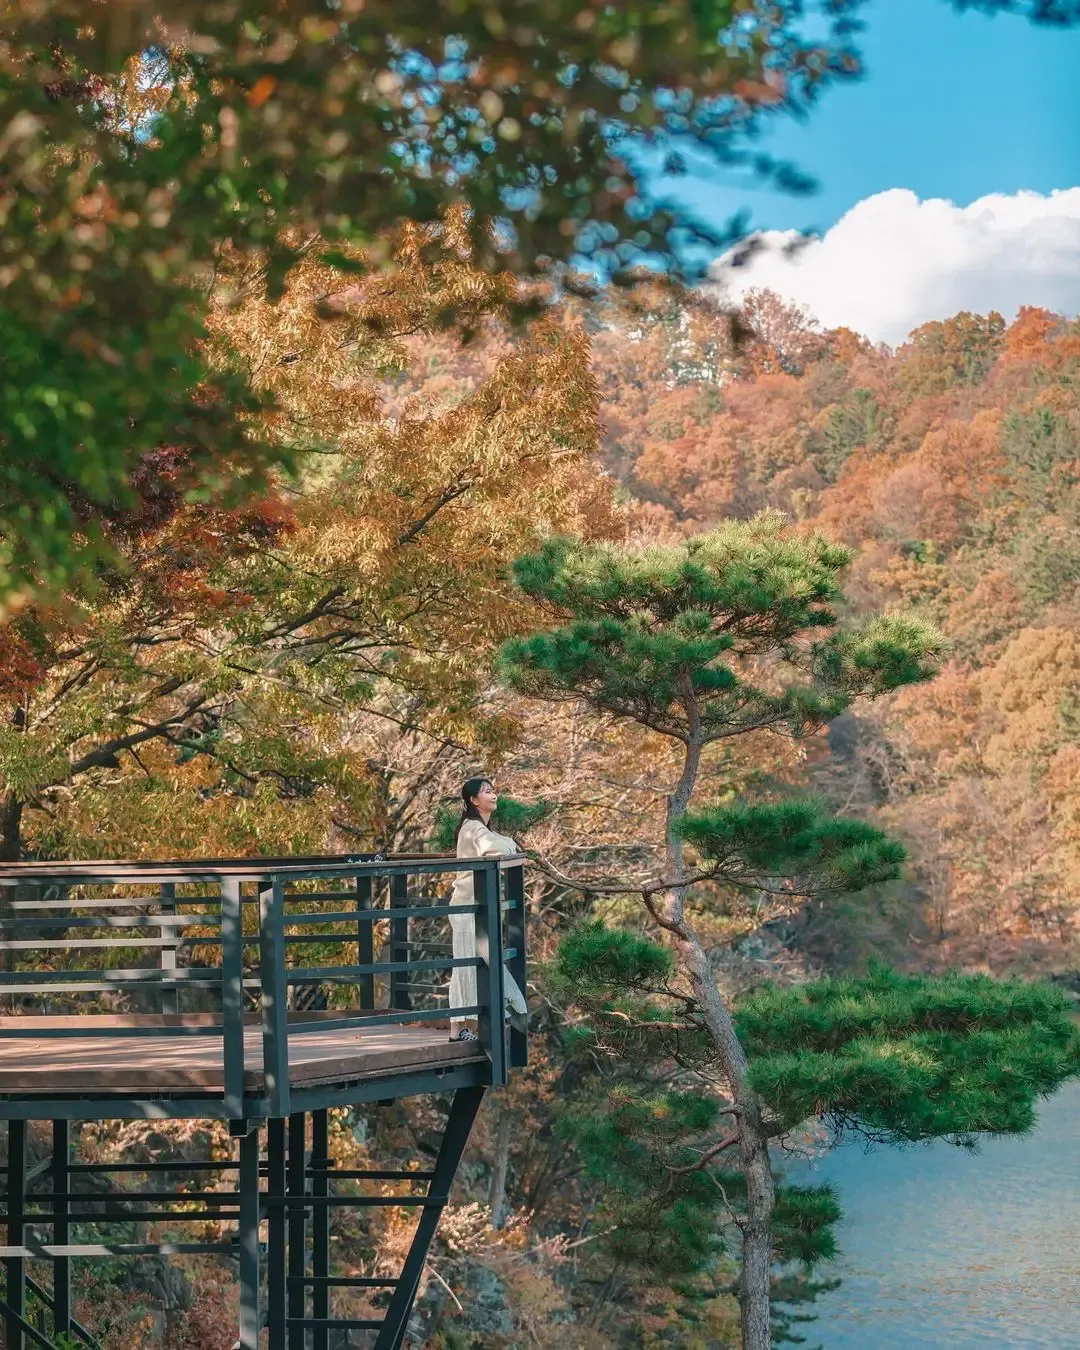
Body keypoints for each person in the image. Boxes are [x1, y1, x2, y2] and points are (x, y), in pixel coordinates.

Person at [447, 776, 528, 1043]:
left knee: (483, 961)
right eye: (486, 792)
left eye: (493, 791)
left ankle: (503, 1009)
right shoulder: (472, 828)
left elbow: (496, 841)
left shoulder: (479, 827)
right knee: (466, 967)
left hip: (474, 910)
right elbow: (493, 846)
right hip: (466, 910)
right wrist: (509, 843)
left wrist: (505, 842)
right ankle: (459, 1030)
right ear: (473, 800)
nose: (493, 795)